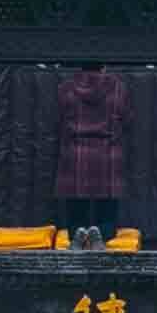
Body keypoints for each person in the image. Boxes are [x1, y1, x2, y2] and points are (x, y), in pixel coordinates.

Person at [55, 64, 128, 251]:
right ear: (103, 66)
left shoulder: (66, 88)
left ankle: (79, 232)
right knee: (107, 208)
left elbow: (59, 120)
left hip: (75, 153)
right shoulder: (119, 88)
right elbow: (127, 118)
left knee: (75, 205)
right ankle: (101, 233)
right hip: (108, 153)